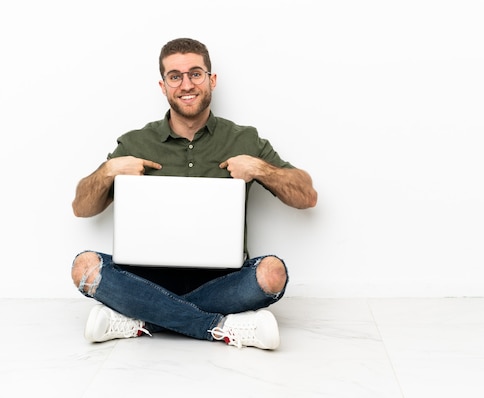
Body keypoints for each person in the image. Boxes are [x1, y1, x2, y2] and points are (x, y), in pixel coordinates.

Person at [70, 37, 317, 350]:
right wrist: (107, 171)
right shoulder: (135, 142)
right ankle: (219, 326)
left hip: (221, 281)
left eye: (195, 74)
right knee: (84, 267)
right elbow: (82, 207)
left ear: (211, 80)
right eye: (175, 76)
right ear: (163, 86)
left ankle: (140, 318)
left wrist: (260, 168)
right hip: (146, 279)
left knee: (272, 274)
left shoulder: (244, 138)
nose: (186, 84)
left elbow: (306, 197)